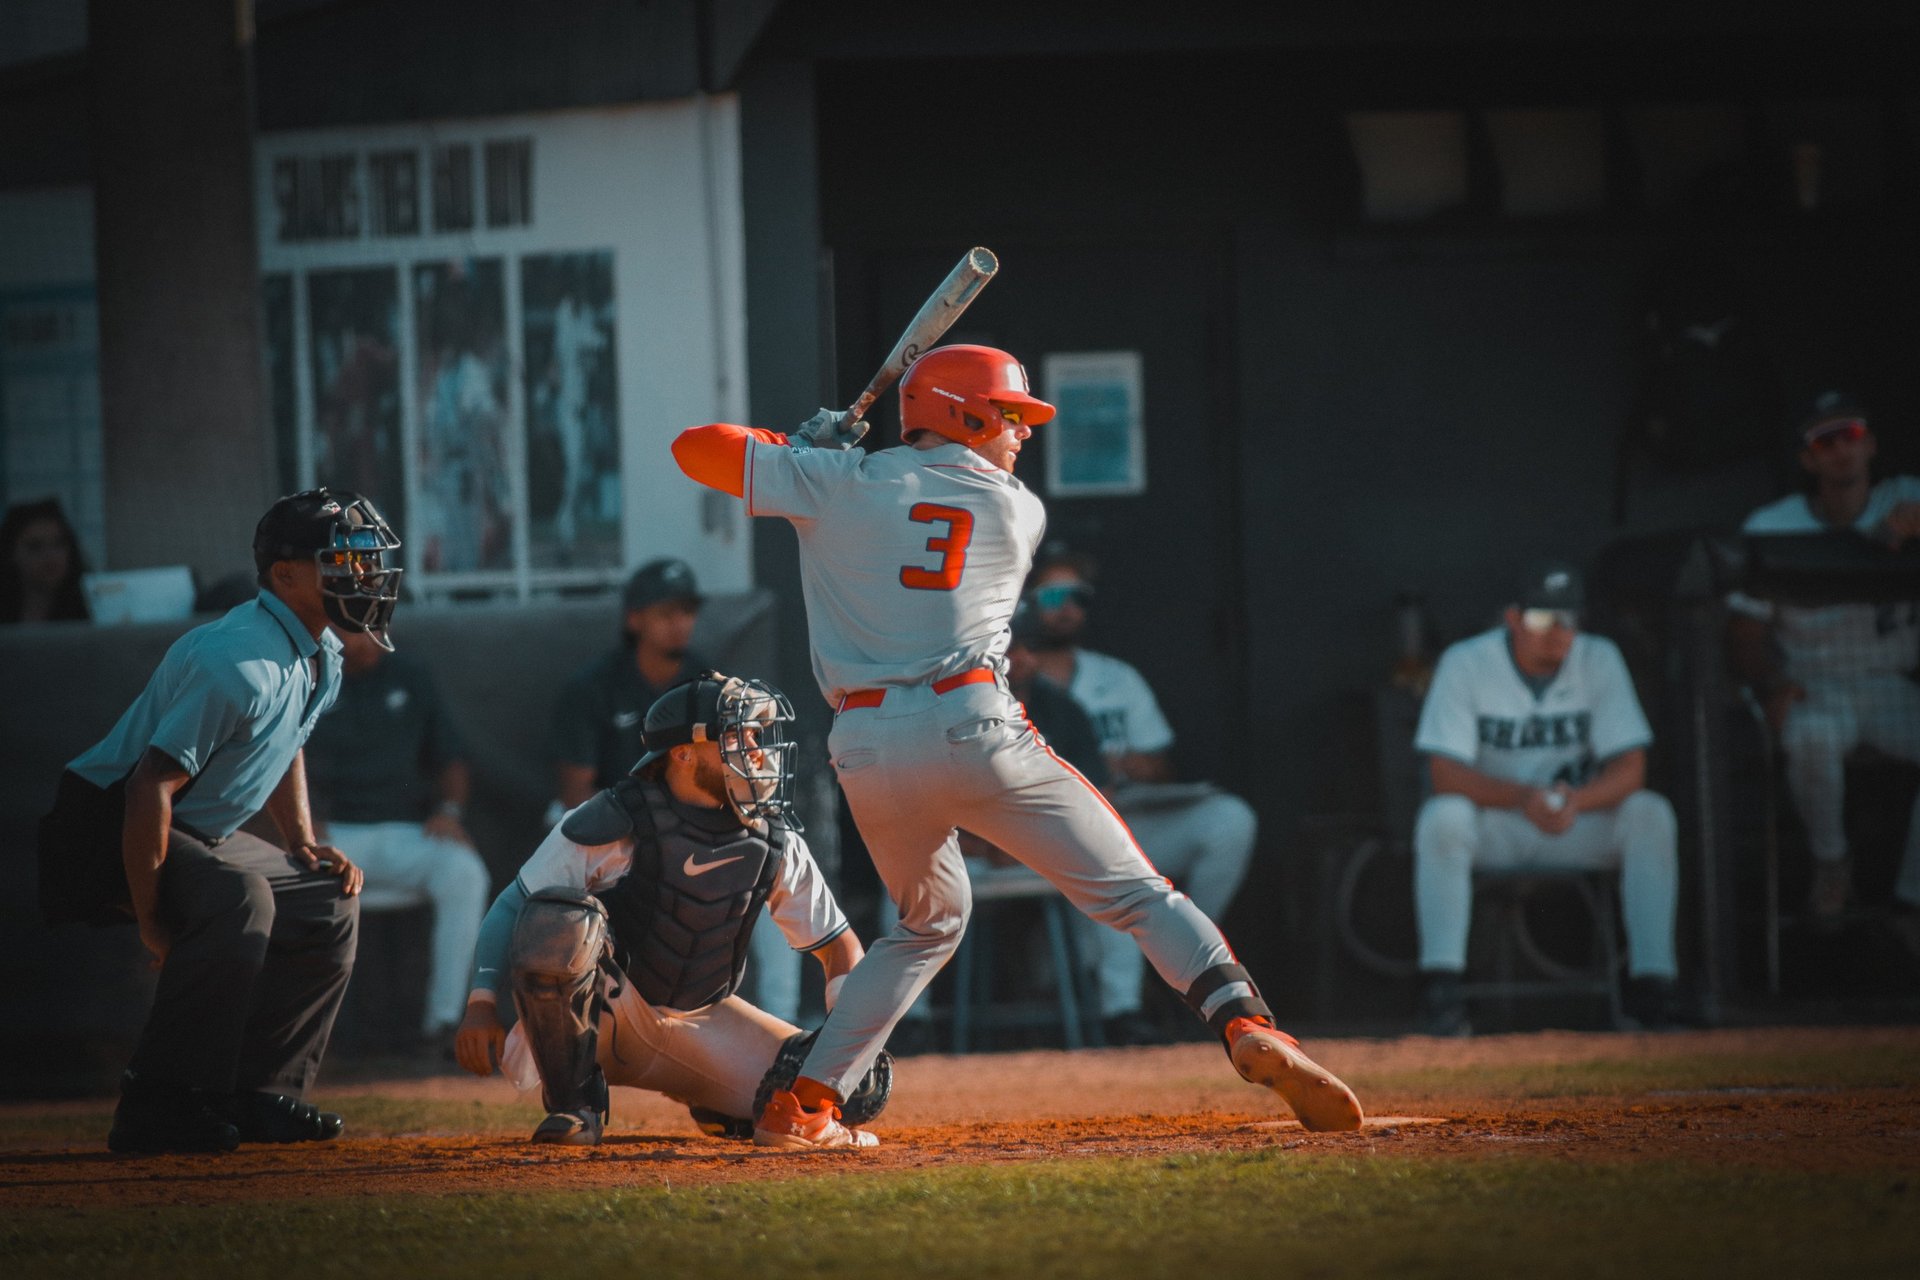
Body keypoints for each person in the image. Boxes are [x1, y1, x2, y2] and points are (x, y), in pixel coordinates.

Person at [672, 342, 1362, 1149]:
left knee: (926, 924)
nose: (1023, 432)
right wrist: (821, 463)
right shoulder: (1016, 507)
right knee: (1137, 894)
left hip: (865, 745)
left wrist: (796, 448)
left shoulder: (835, 480)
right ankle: (1246, 1022)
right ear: (962, 415)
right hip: (973, 726)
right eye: (1008, 415)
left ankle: (806, 1103)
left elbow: (696, 449)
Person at [35, 487, 399, 1153]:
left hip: (187, 829)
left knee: (326, 898)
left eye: (361, 558)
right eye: (340, 559)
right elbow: (148, 787)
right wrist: (154, 921)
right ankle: (156, 1102)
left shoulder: (322, 650)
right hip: (104, 825)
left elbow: (285, 743)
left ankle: (260, 1093)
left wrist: (303, 842)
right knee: (241, 896)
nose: (360, 572)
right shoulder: (240, 659)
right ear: (285, 575)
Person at [454, 673, 889, 1147]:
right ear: (683, 753)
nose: (757, 751)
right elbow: (514, 905)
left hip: (703, 1020)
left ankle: (720, 1106)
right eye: (737, 736)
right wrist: (481, 1003)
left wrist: (839, 1044)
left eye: (756, 736)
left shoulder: (772, 839)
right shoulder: (616, 817)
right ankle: (574, 1105)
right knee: (557, 921)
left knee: (859, 1084)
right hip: (605, 1019)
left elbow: (840, 947)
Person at [1412, 562, 1683, 1035]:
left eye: (1567, 619)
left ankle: (1654, 992)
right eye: (1542, 619)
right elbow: (1444, 773)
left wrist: (1580, 801)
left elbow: (1631, 768)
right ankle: (1443, 993)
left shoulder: (1599, 658)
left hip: (1573, 820)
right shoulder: (1467, 661)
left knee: (1650, 813)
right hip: (1502, 823)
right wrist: (1523, 798)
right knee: (1442, 817)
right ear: (1513, 618)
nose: (1557, 633)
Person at [1024, 546, 1260, 1045]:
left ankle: (1181, 956)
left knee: (1230, 819)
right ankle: (1125, 1005)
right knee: (1104, 869)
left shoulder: (1115, 677)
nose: (1067, 609)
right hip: (1042, 834)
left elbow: (1161, 764)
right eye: (1053, 596)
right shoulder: (1005, 675)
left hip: (1130, 816)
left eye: (1078, 597)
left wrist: (1131, 764)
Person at [548, 556, 801, 1021]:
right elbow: (575, 793)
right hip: (616, 823)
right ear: (634, 618)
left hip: (692, 819)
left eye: (686, 611)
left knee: (765, 861)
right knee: (559, 851)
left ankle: (785, 1020)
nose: (679, 622)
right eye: (665, 612)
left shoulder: (705, 685)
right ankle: (569, 1016)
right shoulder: (595, 686)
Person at [1728, 394, 1920, 942]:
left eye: (1851, 435)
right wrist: (1770, 684)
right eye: (1825, 441)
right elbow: (1744, 631)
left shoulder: (1907, 496)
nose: (1841, 450)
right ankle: (1831, 863)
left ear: (1871, 445)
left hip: (1891, 686)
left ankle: (1912, 900)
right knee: (1809, 738)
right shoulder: (1773, 524)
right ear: (1808, 459)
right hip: (1817, 686)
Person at [302, 626, 492, 1052]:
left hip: (408, 832)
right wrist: (303, 821)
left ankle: (445, 1023)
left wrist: (449, 811)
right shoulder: (308, 676)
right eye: (354, 628)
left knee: (465, 873)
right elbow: (279, 758)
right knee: (290, 878)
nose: (366, 638)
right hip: (334, 835)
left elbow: (452, 757)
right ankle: (307, 1034)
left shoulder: (410, 675)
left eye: (375, 626)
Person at [2, 496, 90, 624]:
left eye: (59, 543)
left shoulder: (92, 611)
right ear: (11, 553)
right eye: (35, 546)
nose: (50, 555)